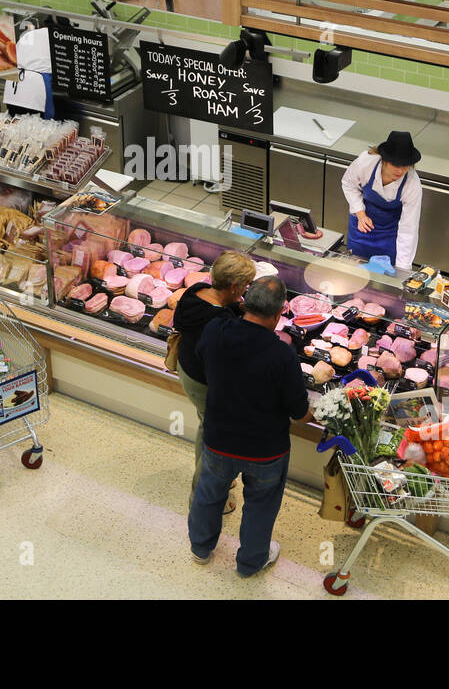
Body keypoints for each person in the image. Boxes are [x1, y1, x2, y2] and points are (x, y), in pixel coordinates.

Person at [188, 276, 310, 577]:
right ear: (279, 313)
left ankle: (200, 548)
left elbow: (202, 360)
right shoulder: (282, 355)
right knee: (260, 507)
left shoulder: (216, 330)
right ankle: (250, 563)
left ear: (244, 302)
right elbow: (299, 412)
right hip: (265, 450)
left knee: (209, 492)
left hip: (219, 439)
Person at [172, 251, 257, 511]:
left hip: (186, 368)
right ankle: (205, 498)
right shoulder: (219, 324)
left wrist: (235, 307)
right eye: (244, 286)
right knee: (213, 440)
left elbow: (216, 310)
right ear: (233, 287)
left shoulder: (196, 291)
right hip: (203, 383)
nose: (246, 290)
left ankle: (217, 483)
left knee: (205, 424)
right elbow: (227, 361)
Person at [340, 130, 423, 269]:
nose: (400, 171)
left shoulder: (412, 185)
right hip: (361, 228)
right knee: (353, 273)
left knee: (383, 278)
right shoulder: (366, 163)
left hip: (389, 236)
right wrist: (360, 213)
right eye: (396, 165)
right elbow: (349, 184)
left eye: (405, 166)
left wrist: (402, 270)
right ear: (384, 159)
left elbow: (409, 229)